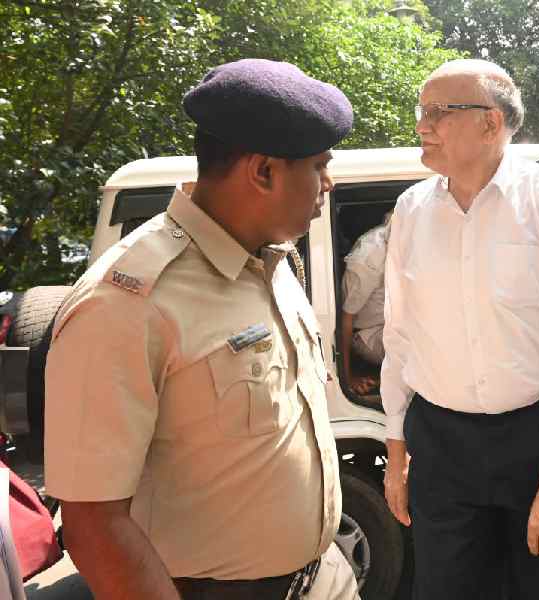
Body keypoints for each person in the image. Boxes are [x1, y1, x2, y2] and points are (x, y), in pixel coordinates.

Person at [43, 58, 360, 600]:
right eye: (319, 166)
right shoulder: (128, 303)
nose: (328, 185)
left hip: (321, 579)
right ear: (262, 171)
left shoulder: (271, 259)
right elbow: (93, 522)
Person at [380, 59, 539, 600]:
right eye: (422, 111)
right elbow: (399, 336)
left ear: (490, 121)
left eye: (437, 112)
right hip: (440, 443)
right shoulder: (411, 210)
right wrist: (396, 454)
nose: (421, 125)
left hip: (534, 441)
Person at [340, 211, 391, 396]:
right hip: (368, 333)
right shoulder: (368, 259)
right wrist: (347, 379)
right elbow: (345, 319)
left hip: (394, 320)